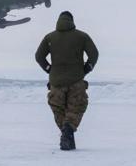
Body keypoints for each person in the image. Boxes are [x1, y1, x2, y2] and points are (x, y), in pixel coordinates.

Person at [35, 11, 98, 150]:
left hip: (56, 83)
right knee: (76, 108)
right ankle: (68, 130)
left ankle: (67, 135)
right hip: (76, 81)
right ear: (72, 21)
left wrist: (49, 69)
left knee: (59, 110)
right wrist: (86, 69)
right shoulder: (82, 36)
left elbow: (39, 56)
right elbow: (94, 54)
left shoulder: (49, 37)